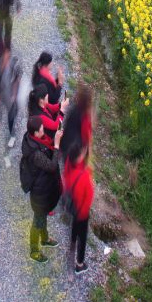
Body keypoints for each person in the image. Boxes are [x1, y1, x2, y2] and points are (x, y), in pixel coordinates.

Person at [62, 89, 94, 275]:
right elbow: (88, 197)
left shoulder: (68, 165)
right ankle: (80, 264)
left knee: (75, 225)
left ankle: (71, 242)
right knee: (83, 234)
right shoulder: (83, 177)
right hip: (82, 211)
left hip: (73, 204)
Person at [22, 116, 62, 262]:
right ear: (35, 133)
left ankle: (44, 239)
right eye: (41, 129)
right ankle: (33, 251)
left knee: (42, 216)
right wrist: (56, 145)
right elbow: (52, 166)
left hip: (44, 190)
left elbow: (48, 147)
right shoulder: (35, 153)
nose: (43, 130)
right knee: (37, 221)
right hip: (40, 194)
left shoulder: (37, 140)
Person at [0, 49, 22, 148]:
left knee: (11, 116)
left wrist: (14, 95)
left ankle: (12, 135)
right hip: (5, 94)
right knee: (8, 111)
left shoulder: (15, 65)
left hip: (12, 97)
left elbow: (18, 79)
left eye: (7, 55)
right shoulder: (0, 64)